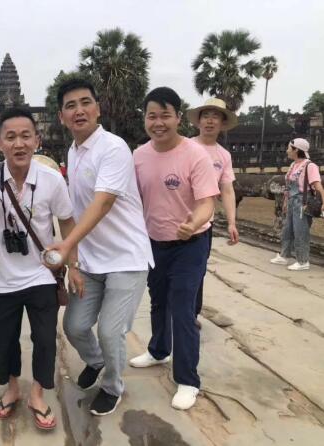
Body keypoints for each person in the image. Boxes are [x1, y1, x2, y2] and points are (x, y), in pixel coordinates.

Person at [45, 78, 153, 416]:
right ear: (61, 116)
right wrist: (74, 263)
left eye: (85, 102)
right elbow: (73, 211)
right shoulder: (73, 152)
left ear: (98, 109)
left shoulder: (114, 148)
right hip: (92, 261)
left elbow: (103, 202)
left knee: (110, 331)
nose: (79, 111)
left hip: (126, 258)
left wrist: (66, 245)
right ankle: (96, 361)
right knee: (74, 326)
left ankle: (112, 386)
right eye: (70, 106)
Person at [0, 108, 77, 431]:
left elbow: (67, 222)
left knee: (45, 339)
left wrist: (73, 264)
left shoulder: (51, 179)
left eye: (26, 136)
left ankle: (37, 393)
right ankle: (12, 388)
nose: (19, 143)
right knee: (5, 340)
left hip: (41, 275)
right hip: (0, 277)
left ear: (37, 140)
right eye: (10, 137)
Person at [129, 87, 220, 410]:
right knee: (158, 301)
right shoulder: (138, 156)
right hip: (154, 243)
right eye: (152, 116)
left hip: (190, 244)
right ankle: (158, 351)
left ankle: (188, 380)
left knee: (182, 309)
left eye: (165, 115)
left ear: (178, 118)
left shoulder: (196, 155)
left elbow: (207, 202)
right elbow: (131, 201)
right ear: (145, 119)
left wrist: (193, 224)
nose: (158, 123)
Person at [187, 98, 239, 324]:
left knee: (198, 271)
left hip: (204, 224)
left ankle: (192, 314)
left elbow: (227, 190)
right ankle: (172, 312)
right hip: (176, 219)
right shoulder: (184, 146)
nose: (209, 121)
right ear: (198, 121)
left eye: (215, 116)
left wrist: (232, 222)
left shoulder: (223, 155)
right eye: (205, 116)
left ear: (222, 123)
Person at [270, 138, 324, 270]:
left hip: (302, 202)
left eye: (289, 148)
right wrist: (285, 201)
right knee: (287, 230)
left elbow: (318, 186)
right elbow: (289, 186)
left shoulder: (309, 166)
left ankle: (303, 261)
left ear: (296, 150)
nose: (287, 150)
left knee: (301, 231)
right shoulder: (293, 165)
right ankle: (284, 255)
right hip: (292, 201)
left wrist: (323, 202)